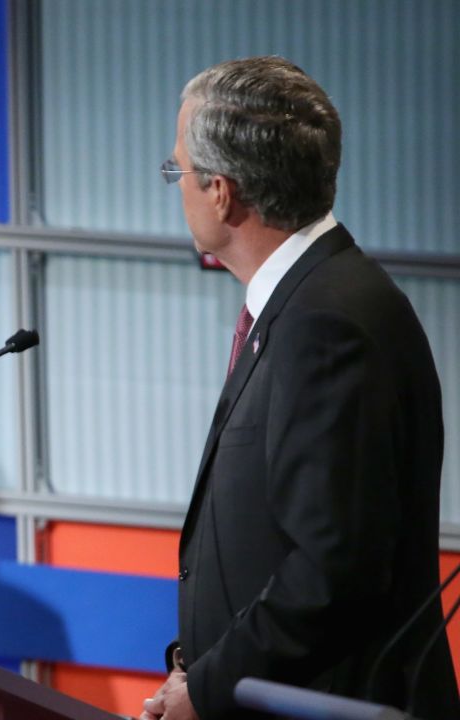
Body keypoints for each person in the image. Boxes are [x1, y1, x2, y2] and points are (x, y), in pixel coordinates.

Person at [142, 56, 460, 720]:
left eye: (178, 171)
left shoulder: (328, 323)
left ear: (222, 192)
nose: (177, 186)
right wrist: (195, 669)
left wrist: (205, 689)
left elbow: (329, 574)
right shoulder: (309, 300)